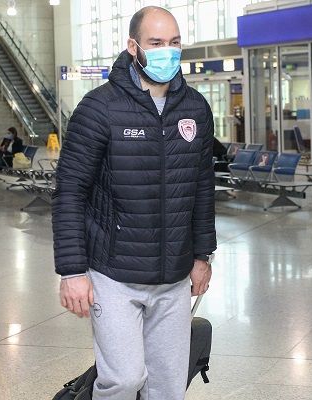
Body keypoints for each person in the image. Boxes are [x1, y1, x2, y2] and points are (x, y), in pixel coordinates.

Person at [51, 6, 216, 400]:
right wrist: (72, 272)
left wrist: (202, 255)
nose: (167, 52)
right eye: (156, 43)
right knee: (123, 380)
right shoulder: (99, 108)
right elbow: (69, 191)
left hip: (174, 275)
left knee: (168, 387)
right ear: (133, 47)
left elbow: (201, 188)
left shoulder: (195, 109)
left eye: (174, 43)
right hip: (113, 273)